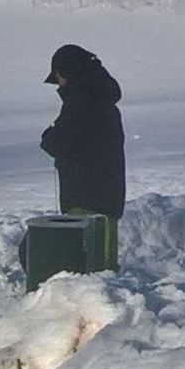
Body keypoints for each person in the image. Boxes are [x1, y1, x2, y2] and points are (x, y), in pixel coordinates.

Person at [39, 43, 126, 267]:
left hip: (85, 196)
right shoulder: (102, 101)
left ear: (69, 72)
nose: (59, 84)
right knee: (105, 264)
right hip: (108, 196)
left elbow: (61, 142)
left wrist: (49, 136)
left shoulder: (81, 102)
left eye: (59, 78)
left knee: (87, 265)